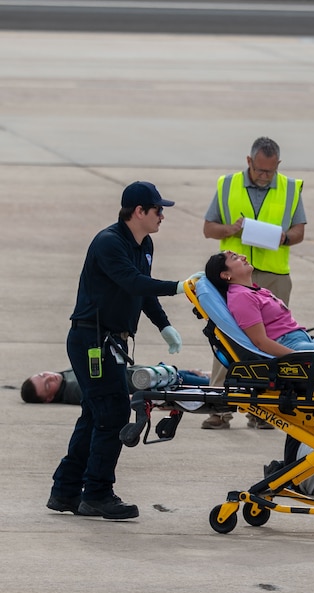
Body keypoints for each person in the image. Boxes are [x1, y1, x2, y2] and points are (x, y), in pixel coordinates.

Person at [47, 181, 188, 521]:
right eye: (158, 210)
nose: (162, 216)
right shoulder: (109, 242)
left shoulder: (145, 243)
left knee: (95, 414)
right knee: (112, 414)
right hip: (91, 341)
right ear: (139, 211)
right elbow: (132, 282)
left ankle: (66, 490)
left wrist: (164, 325)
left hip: (112, 341)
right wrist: (179, 287)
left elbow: (142, 292)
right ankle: (96, 493)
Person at [201, 136, 306, 430]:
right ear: (249, 162)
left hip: (273, 275)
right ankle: (219, 409)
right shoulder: (227, 185)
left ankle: (261, 410)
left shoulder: (290, 189)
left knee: (269, 345)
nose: (264, 176)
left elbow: (299, 231)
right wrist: (230, 229)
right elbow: (209, 229)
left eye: (269, 172)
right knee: (228, 340)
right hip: (235, 279)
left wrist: (284, 237)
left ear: (278, 166)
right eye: (259, 170)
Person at [23, 366, 208, 404]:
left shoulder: (65, 378)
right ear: (49, 398)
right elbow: (102, 394)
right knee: (216, 385)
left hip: (158, 375)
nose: (49, 377)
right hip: (160, 384)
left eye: (42, 375)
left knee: (212, 377)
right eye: (47, 385)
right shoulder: (74, 389)